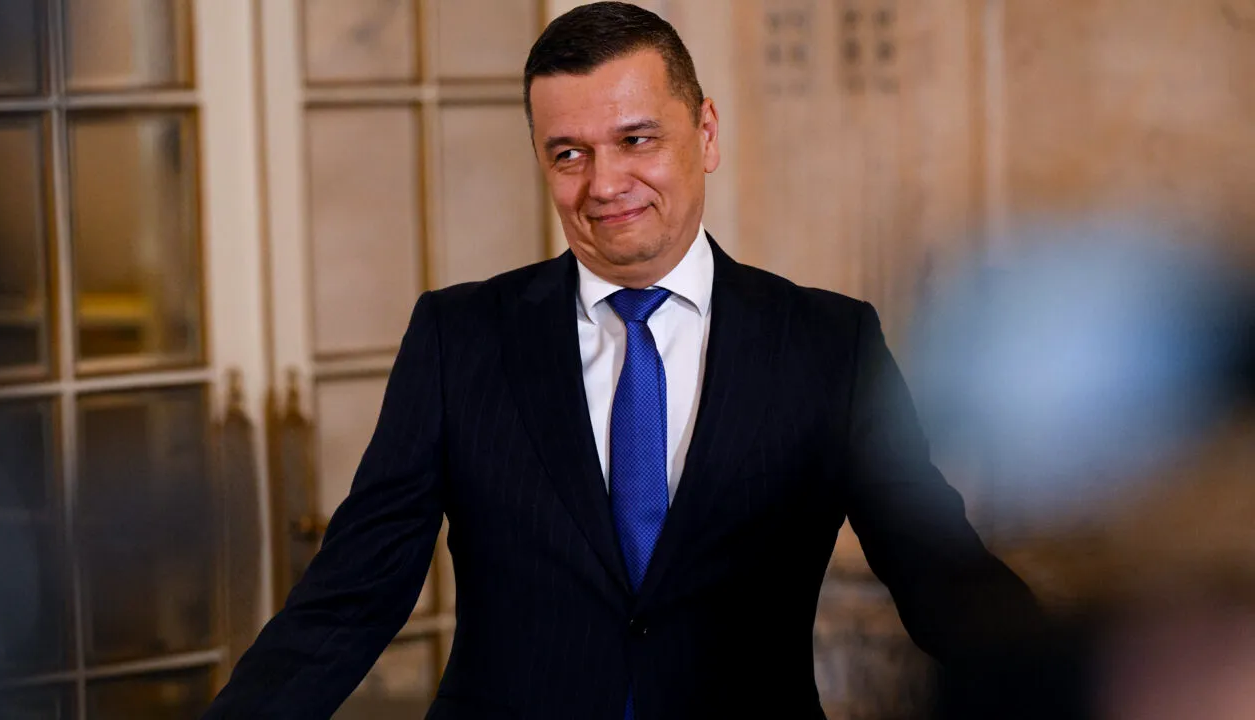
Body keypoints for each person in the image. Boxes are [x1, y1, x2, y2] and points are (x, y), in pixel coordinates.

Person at [204, 3, 1042, 718]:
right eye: (568, 153)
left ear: (705, 133)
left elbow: (940, 574)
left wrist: (1080, 682)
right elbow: (352, 597)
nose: (604, 184)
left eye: (636, 139)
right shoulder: (458, 338)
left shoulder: (830, 344)